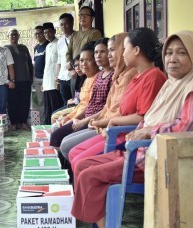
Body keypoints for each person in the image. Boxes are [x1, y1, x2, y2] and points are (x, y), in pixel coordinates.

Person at [72, 30, 193, 228]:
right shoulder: (174, 83)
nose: (173, 58)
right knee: (81, 164)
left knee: (89, 175)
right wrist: (141, 129)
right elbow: (150, 118)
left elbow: (185, 127)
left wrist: (147, 131)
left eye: (182, 53)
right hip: (139, 150)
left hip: (157, 159)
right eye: (169, 52)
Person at [68, 28, 168, 171]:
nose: (122, 53)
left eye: (124, 49)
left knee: (80, 162)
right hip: (115, 130)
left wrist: (111, 121)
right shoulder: (136, 77)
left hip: (125, 134)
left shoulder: (153, 77)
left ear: (136, 50)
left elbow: (142, 117)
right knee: (74, 153)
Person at [56, 33, 137, 163]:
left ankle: (72, 179)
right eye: (96, 52)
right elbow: (105, 107)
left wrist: (93, 121)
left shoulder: (128, 76)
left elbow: (121, 113)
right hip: (101, 123)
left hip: (114, 130)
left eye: (111, 50)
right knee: (64, 139)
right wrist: (84, 119)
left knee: (69, 148)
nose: (108, 55)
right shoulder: (117, 75)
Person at [54, 38, 114, 159]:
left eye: (103, 52)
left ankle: (68, 173)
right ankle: (66, 171)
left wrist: (83, 121)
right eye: (96, 52)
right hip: (90, 119)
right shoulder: (99, 76)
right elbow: (89, 104)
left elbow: (107, 108)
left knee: (62, 140)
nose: (98, 56)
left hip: (97, 122)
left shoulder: (113, 76)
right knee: (58, 133)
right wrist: (75, 118)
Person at [50, 41, 101, 149]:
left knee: (57, 135)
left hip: (88, 118)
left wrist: (73, 118)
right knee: (56, 127)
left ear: (96, 61)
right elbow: (81, 103)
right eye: (81, 60)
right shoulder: (87, 79)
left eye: (88, 60)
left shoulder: (98, 78)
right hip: (80, 114)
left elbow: (90, 106)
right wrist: (68, 117)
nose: (83, 64)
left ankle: (64, 164)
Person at [5, 28, 34, 130]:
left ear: (18, 36)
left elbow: (30, 63)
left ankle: (23, 122)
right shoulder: (5, 49)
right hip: (12, 82)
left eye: (15, 35)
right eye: (11, 35)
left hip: (25, 80)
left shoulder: (24, 48)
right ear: (8, 37)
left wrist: (31, 77)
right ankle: (13, 123)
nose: (14, 36)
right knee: (12, 102)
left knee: (24, 102)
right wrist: (8, 80)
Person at [51, 55, 86, 124]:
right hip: (77, 106)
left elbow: (85, 100)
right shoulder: (78, 78)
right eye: (75, 66)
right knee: (54, 116)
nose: (77, 68)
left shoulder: (88, 78)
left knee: (56, 117)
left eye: (79, 65)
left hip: (81, 108)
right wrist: (73, 100)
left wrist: (74, 101)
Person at [42, 22, 63, 125]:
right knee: (47, 107)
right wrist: (44, 82)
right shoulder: (47, 46)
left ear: (54, 31)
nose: (47, 34)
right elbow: (47, 65)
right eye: (45, 32)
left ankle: (55, 126)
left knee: (56, 106)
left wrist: (58, 78)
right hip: (47, 82)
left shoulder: (59, 43)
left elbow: (60, 62)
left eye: (49, 32)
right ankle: (47, 127)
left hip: (55, 81)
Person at [56, 13, 75, 104]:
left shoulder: (77, 37)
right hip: (63, 77)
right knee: (66, 103)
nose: (64, 26)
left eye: (66, 23)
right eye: (61, 24)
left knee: (76, 102)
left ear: (72, 23)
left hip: (75, 76)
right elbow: (59, 60)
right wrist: (59, 76)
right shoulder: (60, 41)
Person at [32, 25, 49, 124]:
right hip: (37, 78)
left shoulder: (48, 45)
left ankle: (47, 121)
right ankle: (42, 122)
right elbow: (35, 63)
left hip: (46, 78)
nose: (38, 35)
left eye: (40, 33)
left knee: (47, 101)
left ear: (44, 33)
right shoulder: (36, 48)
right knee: (40, 101)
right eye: (36, 34)